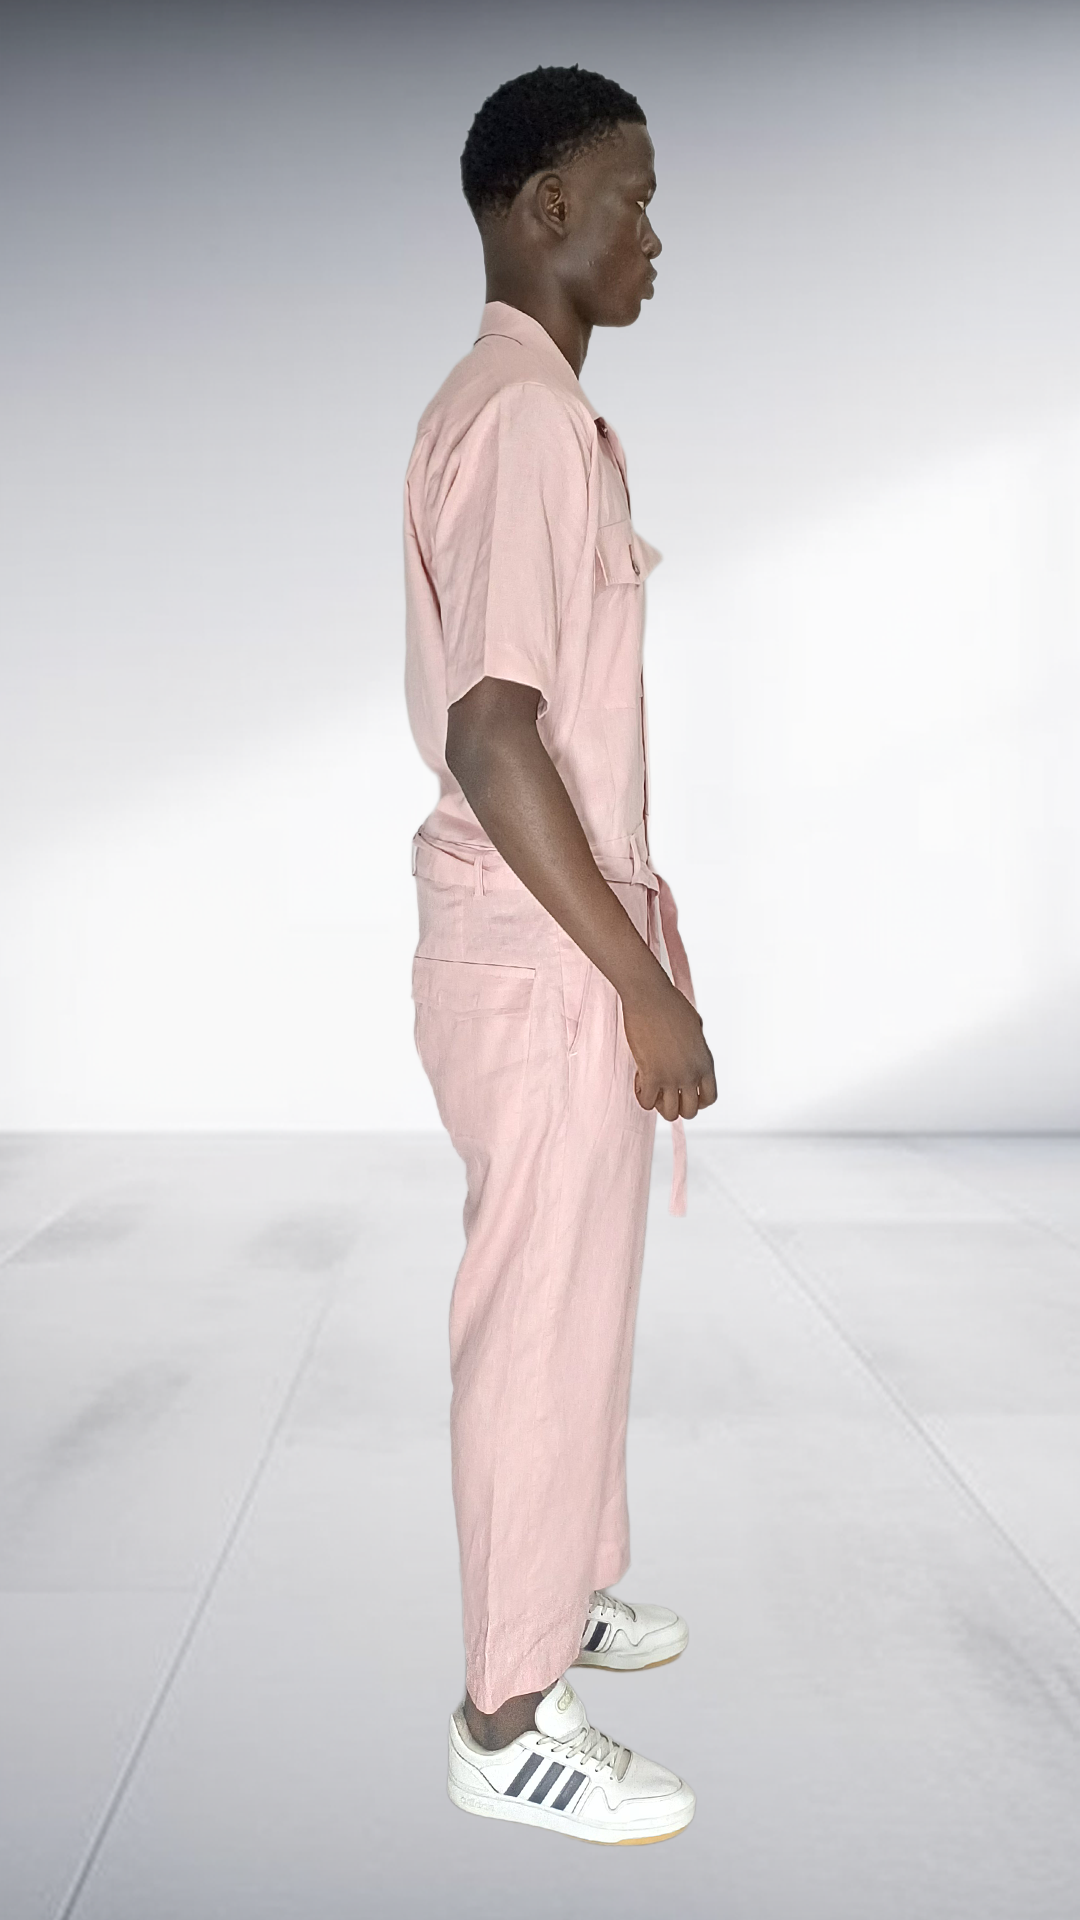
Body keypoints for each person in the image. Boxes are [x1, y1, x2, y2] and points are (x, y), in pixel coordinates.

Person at [403, 64, 717, 1846]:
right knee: (536, 1321)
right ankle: (506, 1716)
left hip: (542, 945)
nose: (654, 234)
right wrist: (640, 983)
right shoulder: (524, 420)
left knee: (575, 1296)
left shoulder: (528, 410)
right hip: (544, 960)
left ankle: (559, 1588)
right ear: (547, 209)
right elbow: (495, 730)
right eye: (634, 197)